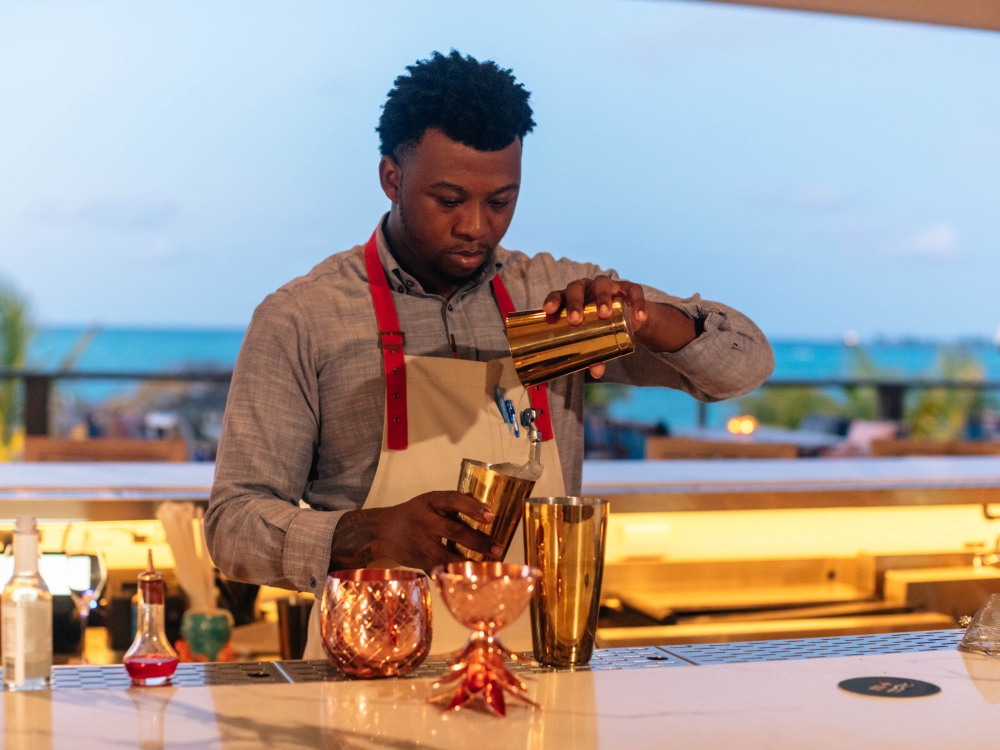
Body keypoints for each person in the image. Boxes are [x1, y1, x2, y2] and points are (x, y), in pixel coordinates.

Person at [206, 50, 774, 656]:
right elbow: (232, 526)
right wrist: (369, 534)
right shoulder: (303, 318)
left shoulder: (553, 301)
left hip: (542, 665)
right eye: (448, 200)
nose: (476, 226)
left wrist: (647, 318)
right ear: (391, 177)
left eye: (500, 201)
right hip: (368, 677)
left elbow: (746, 364)